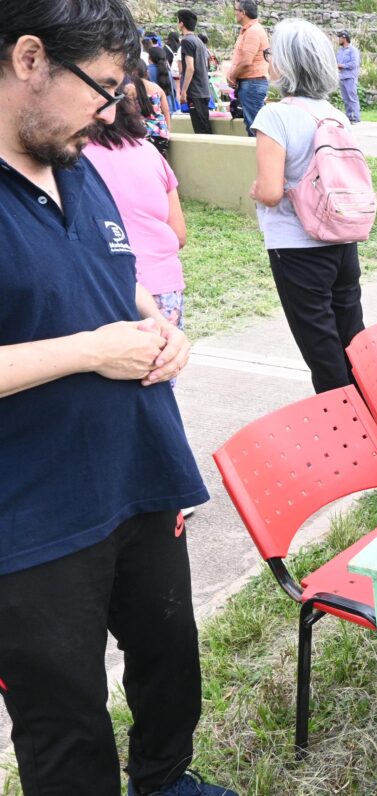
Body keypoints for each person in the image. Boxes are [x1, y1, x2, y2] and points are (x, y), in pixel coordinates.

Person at [0, 1, 243, 793]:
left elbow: (116, 276)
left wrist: (157, 326)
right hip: (33, 517)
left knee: (169, 656)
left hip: (140, 471)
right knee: (65, 716)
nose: (112, 111)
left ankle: (166, 780)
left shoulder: (78, 163)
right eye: (103, 87)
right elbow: (89, 338)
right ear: (29, 59)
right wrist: (91, 351)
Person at [250, 18, 366, 393]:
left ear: (285, 63)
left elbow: (270, 191)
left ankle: (344, 422)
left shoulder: (274, 115)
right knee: (353, 340)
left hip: (297, 248)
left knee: (322, 351)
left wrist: (255, 189)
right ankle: (371, 412)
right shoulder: (335, 114)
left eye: (271, 53)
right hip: (342, 239)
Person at [84, 84, 189, 387]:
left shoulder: (71, 160)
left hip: (105, 289)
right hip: (164, 287)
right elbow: (179, 234)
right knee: (160, 381)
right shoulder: (150, 151)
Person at [227, 0, 269, 136]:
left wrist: (232, 76)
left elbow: (246, 61)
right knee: (252, 123)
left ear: (243, 13)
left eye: (236, 10)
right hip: (250, 84)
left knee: (254, 126)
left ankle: (258, 149)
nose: (235, 13)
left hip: (252, 84)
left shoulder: (253, 31)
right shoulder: (249, 30)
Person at [176, 9, 212, 134]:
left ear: (181, 23)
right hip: (204, 90)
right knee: (204, 126)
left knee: (200, 130)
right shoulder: (198, 41)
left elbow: (190, 68)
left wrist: (183, 91)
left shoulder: (186, 41)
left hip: (195, 91)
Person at [131, 59, 172, 157]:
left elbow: (129, 113)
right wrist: (168, 130)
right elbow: (166, 111)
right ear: (147, 72)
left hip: (142, 134)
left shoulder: (130, 88)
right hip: (161, 133)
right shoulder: (157, 88)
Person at [335, 30, 360, 123]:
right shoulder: (340, 51)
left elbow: (354, 64)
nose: (339, 39)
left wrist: (342, 65)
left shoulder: (353, 50)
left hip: (350, 77)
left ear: (344, 38)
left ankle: (356, 117)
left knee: (352, 98)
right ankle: (349, 117)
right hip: (341, 77)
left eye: (340, 38)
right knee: (345, 99)